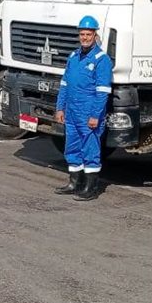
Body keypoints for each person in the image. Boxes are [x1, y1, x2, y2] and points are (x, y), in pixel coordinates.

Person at [54, 15, 113, 201]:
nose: (85, 37)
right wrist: (60, 108)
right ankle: (75, 183)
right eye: (82, 34)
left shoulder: (102, 60)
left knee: (90, 149)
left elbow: (102, 92)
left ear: (95, 35)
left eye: (88, 34)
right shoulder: (73, 56)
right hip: (71, 112)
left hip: (88, 112)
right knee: (72, 147)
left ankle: (90, 187)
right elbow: (65, 84)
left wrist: (95, 115)